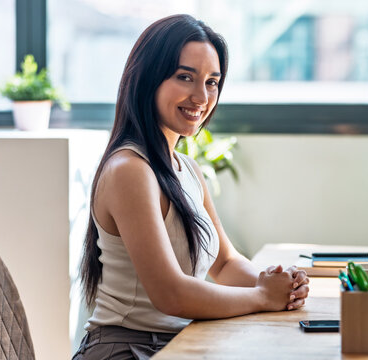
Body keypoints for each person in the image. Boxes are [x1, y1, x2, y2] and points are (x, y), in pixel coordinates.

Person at [73, 14, 310, 360]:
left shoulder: (187, 170)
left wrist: (278, 284)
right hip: (127, 350)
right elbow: (171, 294)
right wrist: (262, 296)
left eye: (212, 82)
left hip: (176, 344)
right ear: (147, 78)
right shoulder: (129, 170)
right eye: (185, 77)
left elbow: (225, 263)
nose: (201, 96)